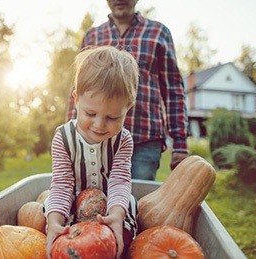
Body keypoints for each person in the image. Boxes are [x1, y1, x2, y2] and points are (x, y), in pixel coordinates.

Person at [66, 0, 190, 180]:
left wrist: (180, 143)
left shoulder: (158, 33)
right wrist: (71, 134)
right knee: (92, 197)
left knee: (137, 202)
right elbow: (78, 88)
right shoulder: (93, 36)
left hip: (144, 140)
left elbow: (173, 90)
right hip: (95, 140)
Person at [45, 46, 139, 259]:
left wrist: (115, 216)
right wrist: (54, 222)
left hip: (109, 205)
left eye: (113, 117)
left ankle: (119, 245)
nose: (99, 125)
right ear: (77, 100)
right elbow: (62, 184)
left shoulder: (123, 140)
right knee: (51, 207)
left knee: (130, 205)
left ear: (128, 108)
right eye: (90, 113)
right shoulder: (63, 138)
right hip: (73, 202)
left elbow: (120, 181)